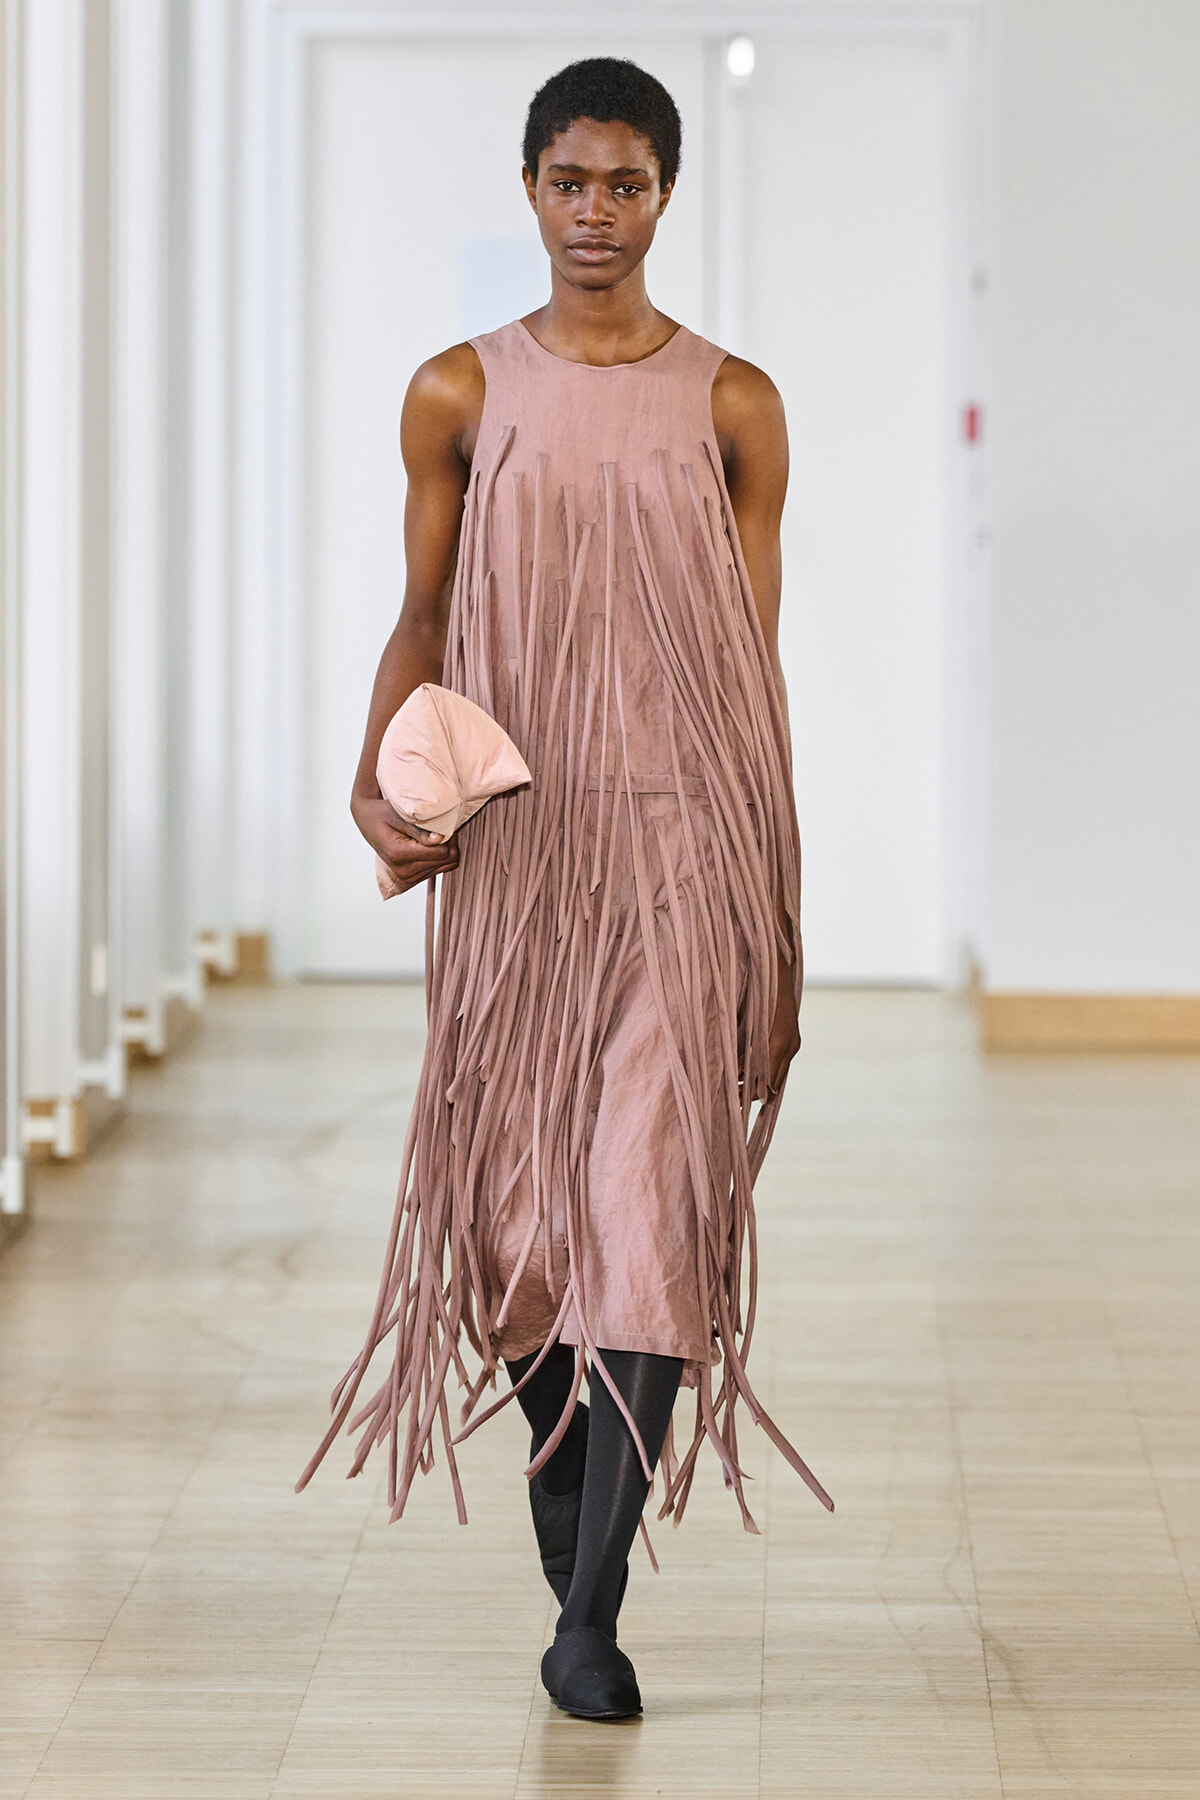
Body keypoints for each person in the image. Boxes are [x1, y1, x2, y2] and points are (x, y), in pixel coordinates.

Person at [298, 55, 832, 1722]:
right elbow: (424, 607)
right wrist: (382, 765)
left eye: (629, 184)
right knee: (527, 1232)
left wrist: (778, 929)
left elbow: (754, 667)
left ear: (668, 195)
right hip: (520, 856)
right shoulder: (459, 390)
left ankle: (589, 1617)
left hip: (680, 850)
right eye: (569, 181)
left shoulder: (735, 401)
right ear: (529, 188)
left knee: (648, 1212)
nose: (597, 212)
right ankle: (563, 1518)